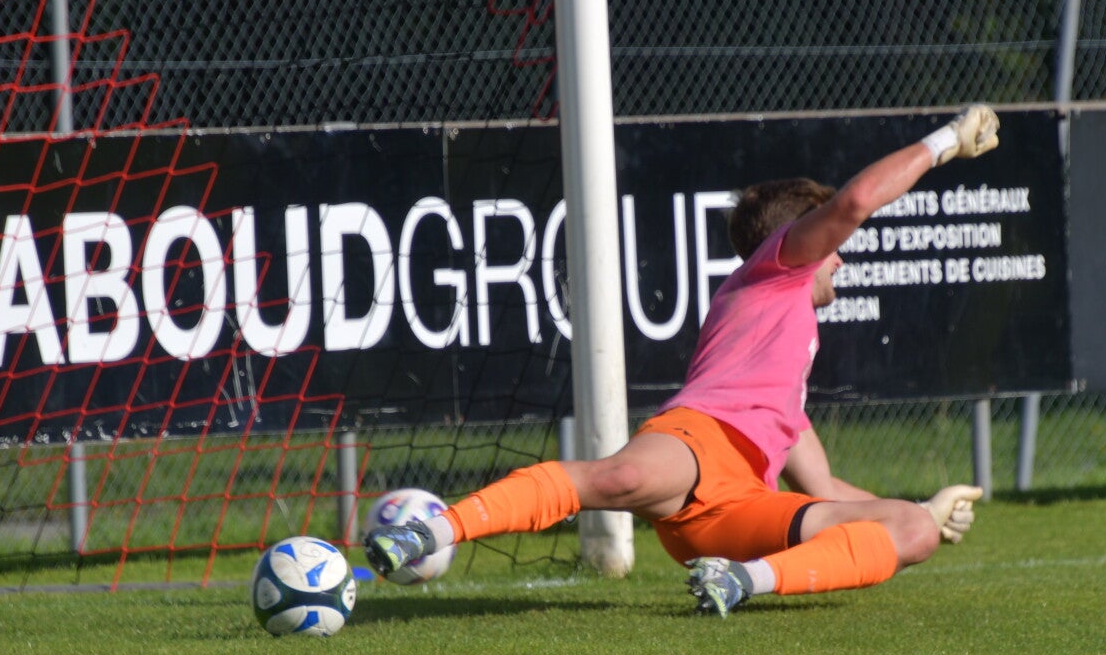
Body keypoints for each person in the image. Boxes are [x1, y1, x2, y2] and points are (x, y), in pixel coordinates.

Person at [364, 105, 1001, 615]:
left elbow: (827, 492)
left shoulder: (787, 381)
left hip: (737, 515)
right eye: (832, 243)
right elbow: (856, 202)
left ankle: (740, 582)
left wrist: (926, 510)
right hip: (699, 446)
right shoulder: (775, 270)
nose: (842, 255)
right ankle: (426, 533)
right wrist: (947, 140)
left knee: (912, 534)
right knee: (618, 479)